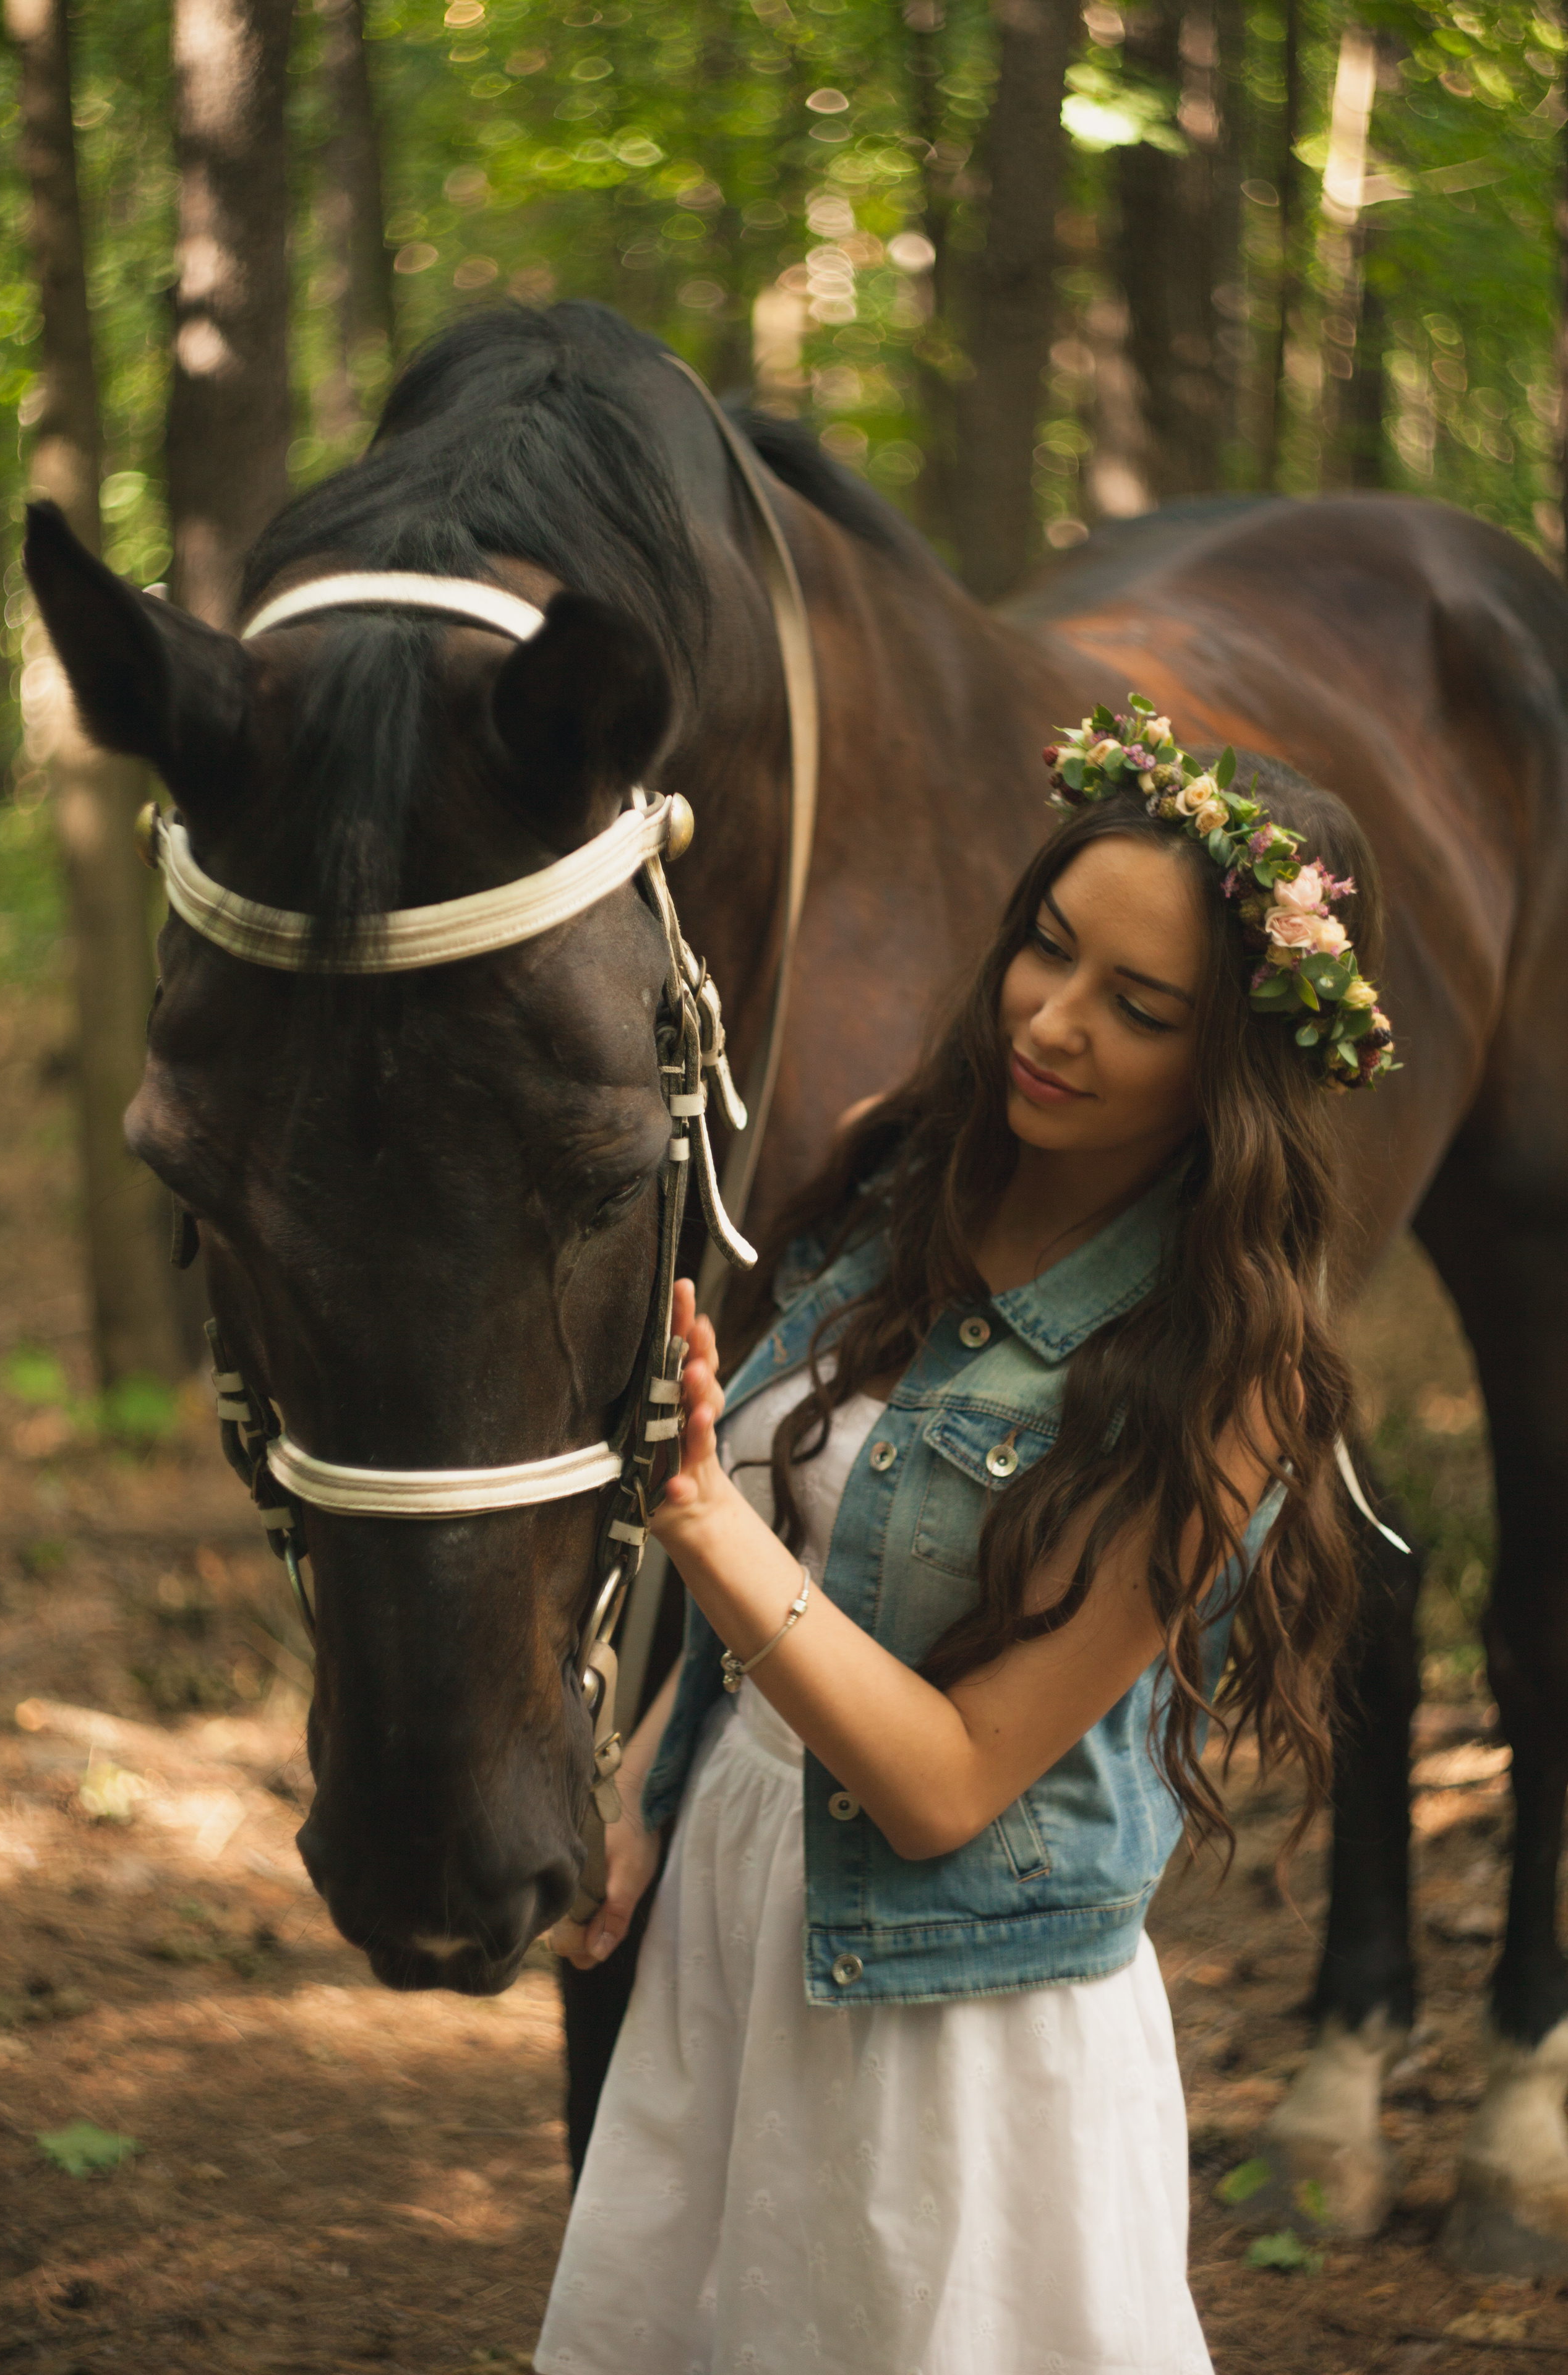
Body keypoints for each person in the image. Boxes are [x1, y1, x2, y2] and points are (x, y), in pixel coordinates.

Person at [536, 702, 1395, 2375]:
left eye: (1138, 1010)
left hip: (958, 2022)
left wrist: (701, 1521)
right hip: (739, 1895)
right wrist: (650, 1780)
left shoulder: (1233, 1372)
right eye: (1048, 951)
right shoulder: (905, 1165)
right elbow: (808, 1532)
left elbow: (944, 1780)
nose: (1054, 1024)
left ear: (1233, 1067)